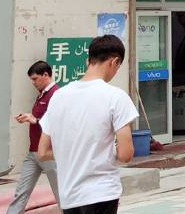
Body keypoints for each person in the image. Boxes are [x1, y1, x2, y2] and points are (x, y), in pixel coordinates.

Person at [38, 35, 139, 214]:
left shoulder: (58, 97)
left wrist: (73, 151)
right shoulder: (116, 97)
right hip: (101, 193)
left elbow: (43, 152)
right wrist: (105, 150)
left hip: (69, 196)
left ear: (88, 61)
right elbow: (126, 154)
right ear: (114, 62)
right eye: (118, 67)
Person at [6, 61, 60, 214]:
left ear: (46, 75)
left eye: (35, 79)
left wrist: (35, 120)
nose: (33, 83)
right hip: (33, 153)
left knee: (61, 194)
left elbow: (57, 123)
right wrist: (29, 117)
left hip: (49, 153)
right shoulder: (42, 94)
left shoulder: (56, 95)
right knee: (21, 192)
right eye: (31, 80)